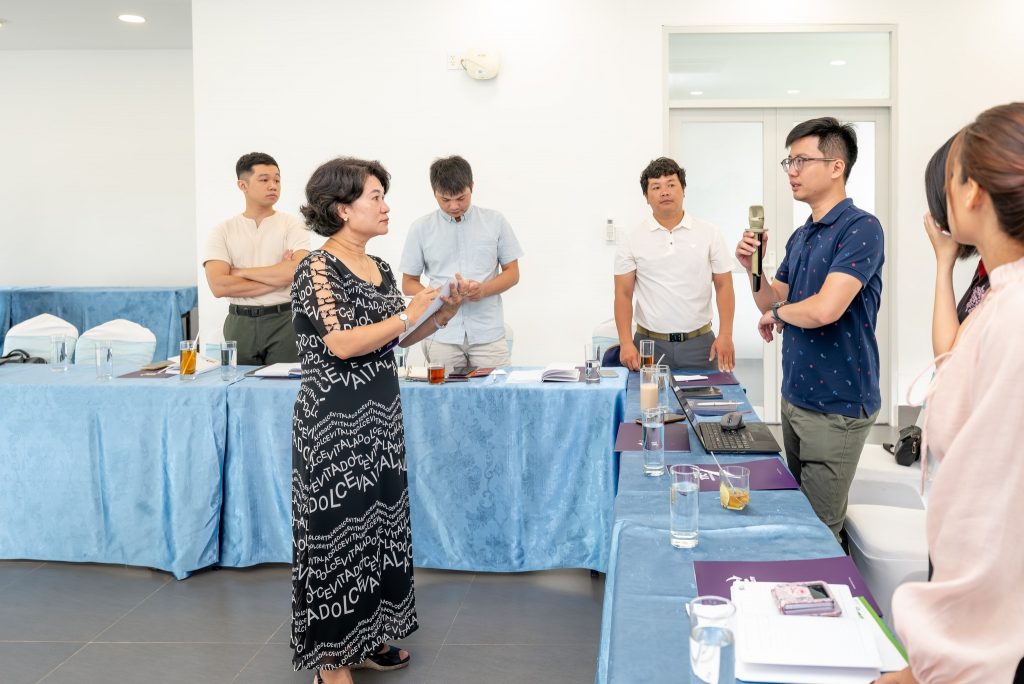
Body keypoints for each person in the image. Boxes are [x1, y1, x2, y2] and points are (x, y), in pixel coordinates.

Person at [290, 157, 465, 684]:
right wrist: (410, 312)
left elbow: (395, 338)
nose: (386, 206)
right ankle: (330, 661)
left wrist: (441, 312)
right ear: (342, 209)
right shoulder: (316, 267)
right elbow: (341, 343)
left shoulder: (382, 268)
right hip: (333, 424)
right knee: (337, 536)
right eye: (374, 196)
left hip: (380, 418)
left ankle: (364, 639)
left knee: (376, 531)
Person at [877, 104, 1024, 684]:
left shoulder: (1013, 314)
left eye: (951, 178)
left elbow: (996, 516)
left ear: (972, 193)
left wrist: (931, 665)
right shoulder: (1000, 297)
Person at [734, 118, 883, 541]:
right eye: (789, 161)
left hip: (838, 404)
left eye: (801, 160)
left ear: (836, 166)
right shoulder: (802, 235)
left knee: (817, 532)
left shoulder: (861, 228)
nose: (791, 171)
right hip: (798, 395)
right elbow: (774, 297)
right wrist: (753, 270)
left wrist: (778, 314)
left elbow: (825, 309)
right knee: (797, 514)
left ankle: (842, 602)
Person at [399, 155, 523, 368]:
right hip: (440, 332)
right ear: (434, 192)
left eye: (461, 198)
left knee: (497, 396)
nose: (454, 206)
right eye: (445, 200)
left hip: (487, 333)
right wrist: (440, 297)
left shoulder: (495, 221)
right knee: (445, 399)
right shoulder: (420, 228)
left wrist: (482, 290)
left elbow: (512, 273)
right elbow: (408, 283)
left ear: (471, 186)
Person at [613, 157, 735, 371]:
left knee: (703, 404)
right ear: (646, 196)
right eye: (656, 187)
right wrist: (625, 343)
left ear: (683, 189)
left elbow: (724, 285)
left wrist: (726, 334)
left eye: (671, 184)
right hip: (648, 346)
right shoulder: (632, 239)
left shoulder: (709, 233)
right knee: (647, 404)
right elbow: (623, 294)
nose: (665, 192)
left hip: (700, 344)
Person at [204, 152, 310, 365]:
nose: (273, 185)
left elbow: (295, 272)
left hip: (285, 320)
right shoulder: (222, 230)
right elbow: (219, 286)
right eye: (264, 180)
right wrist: (278, 275)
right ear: (242, 185)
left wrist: (240, 272)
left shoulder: (293, 225)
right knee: (240, 391)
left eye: (277, 180)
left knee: (284, 391)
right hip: (239, 322)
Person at [922, 136, 990, 357]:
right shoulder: (988, 266)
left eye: (949, 188)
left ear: (972, 190)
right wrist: (944, 261)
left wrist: (944, 262)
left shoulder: (1009, 276)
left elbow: (947, 361)